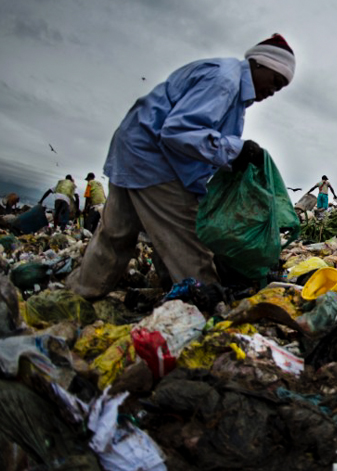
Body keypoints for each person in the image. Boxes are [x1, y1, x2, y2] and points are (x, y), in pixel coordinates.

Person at [66, 34, 296, 299]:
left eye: (280, 88)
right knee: (189, 243)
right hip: (154, 160)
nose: (273, 91)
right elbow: (178, 130)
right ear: (259, 64)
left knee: (116, 234)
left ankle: (78, 295)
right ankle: (204, 308)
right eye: (275, 81)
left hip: (133, 148)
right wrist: (237, 150)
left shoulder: (230, 84)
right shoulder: (225, 81)